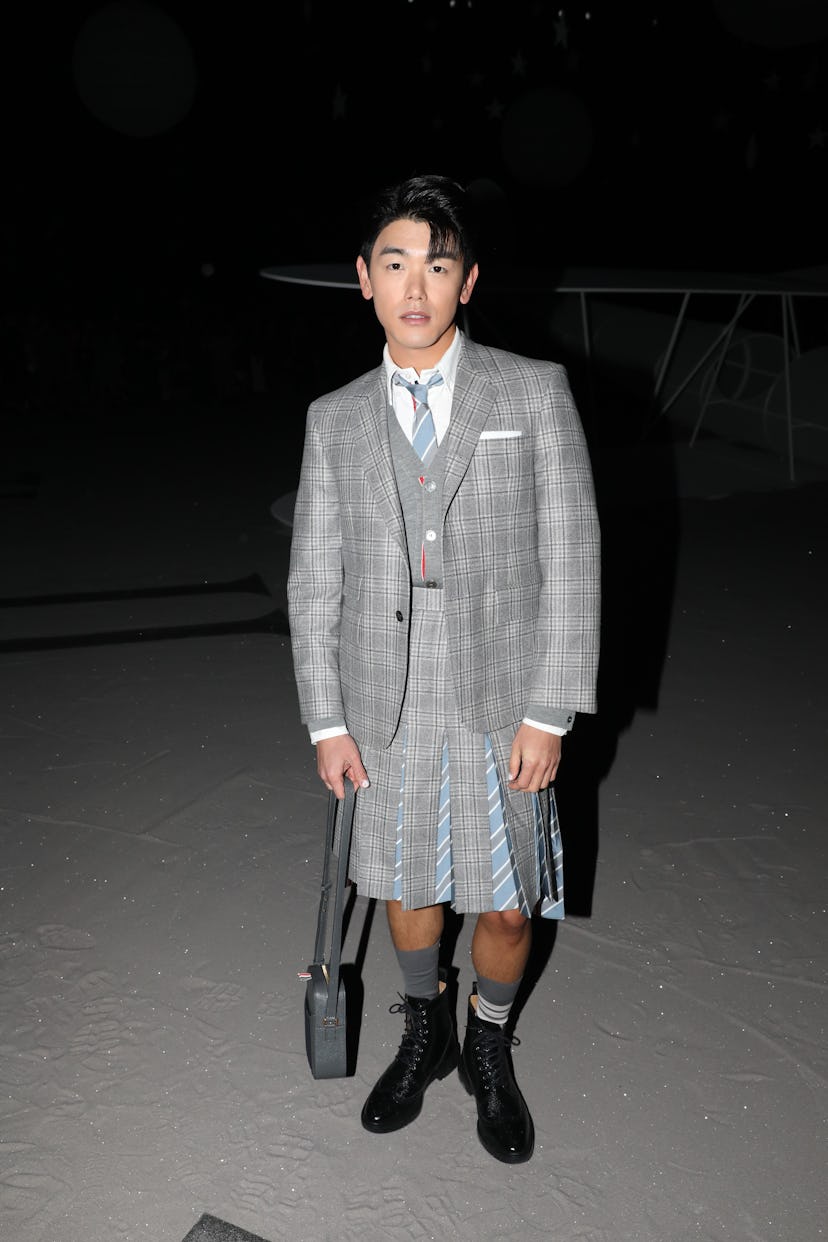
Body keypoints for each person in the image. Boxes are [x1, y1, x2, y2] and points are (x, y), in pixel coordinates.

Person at [287, 174, 600, 1163]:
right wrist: (325, 721)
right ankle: (423, 1031)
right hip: (384, 693)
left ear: (467, 282)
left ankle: (488, 1043)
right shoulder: (334, 418)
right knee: (410, 887)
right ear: (363, 281)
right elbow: (312, 580)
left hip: (503, 692)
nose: (415, 284)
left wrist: (551, 710)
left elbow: (574, 551)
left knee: (507, 900)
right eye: (394, 263)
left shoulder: (530, 391)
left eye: (437, 263)